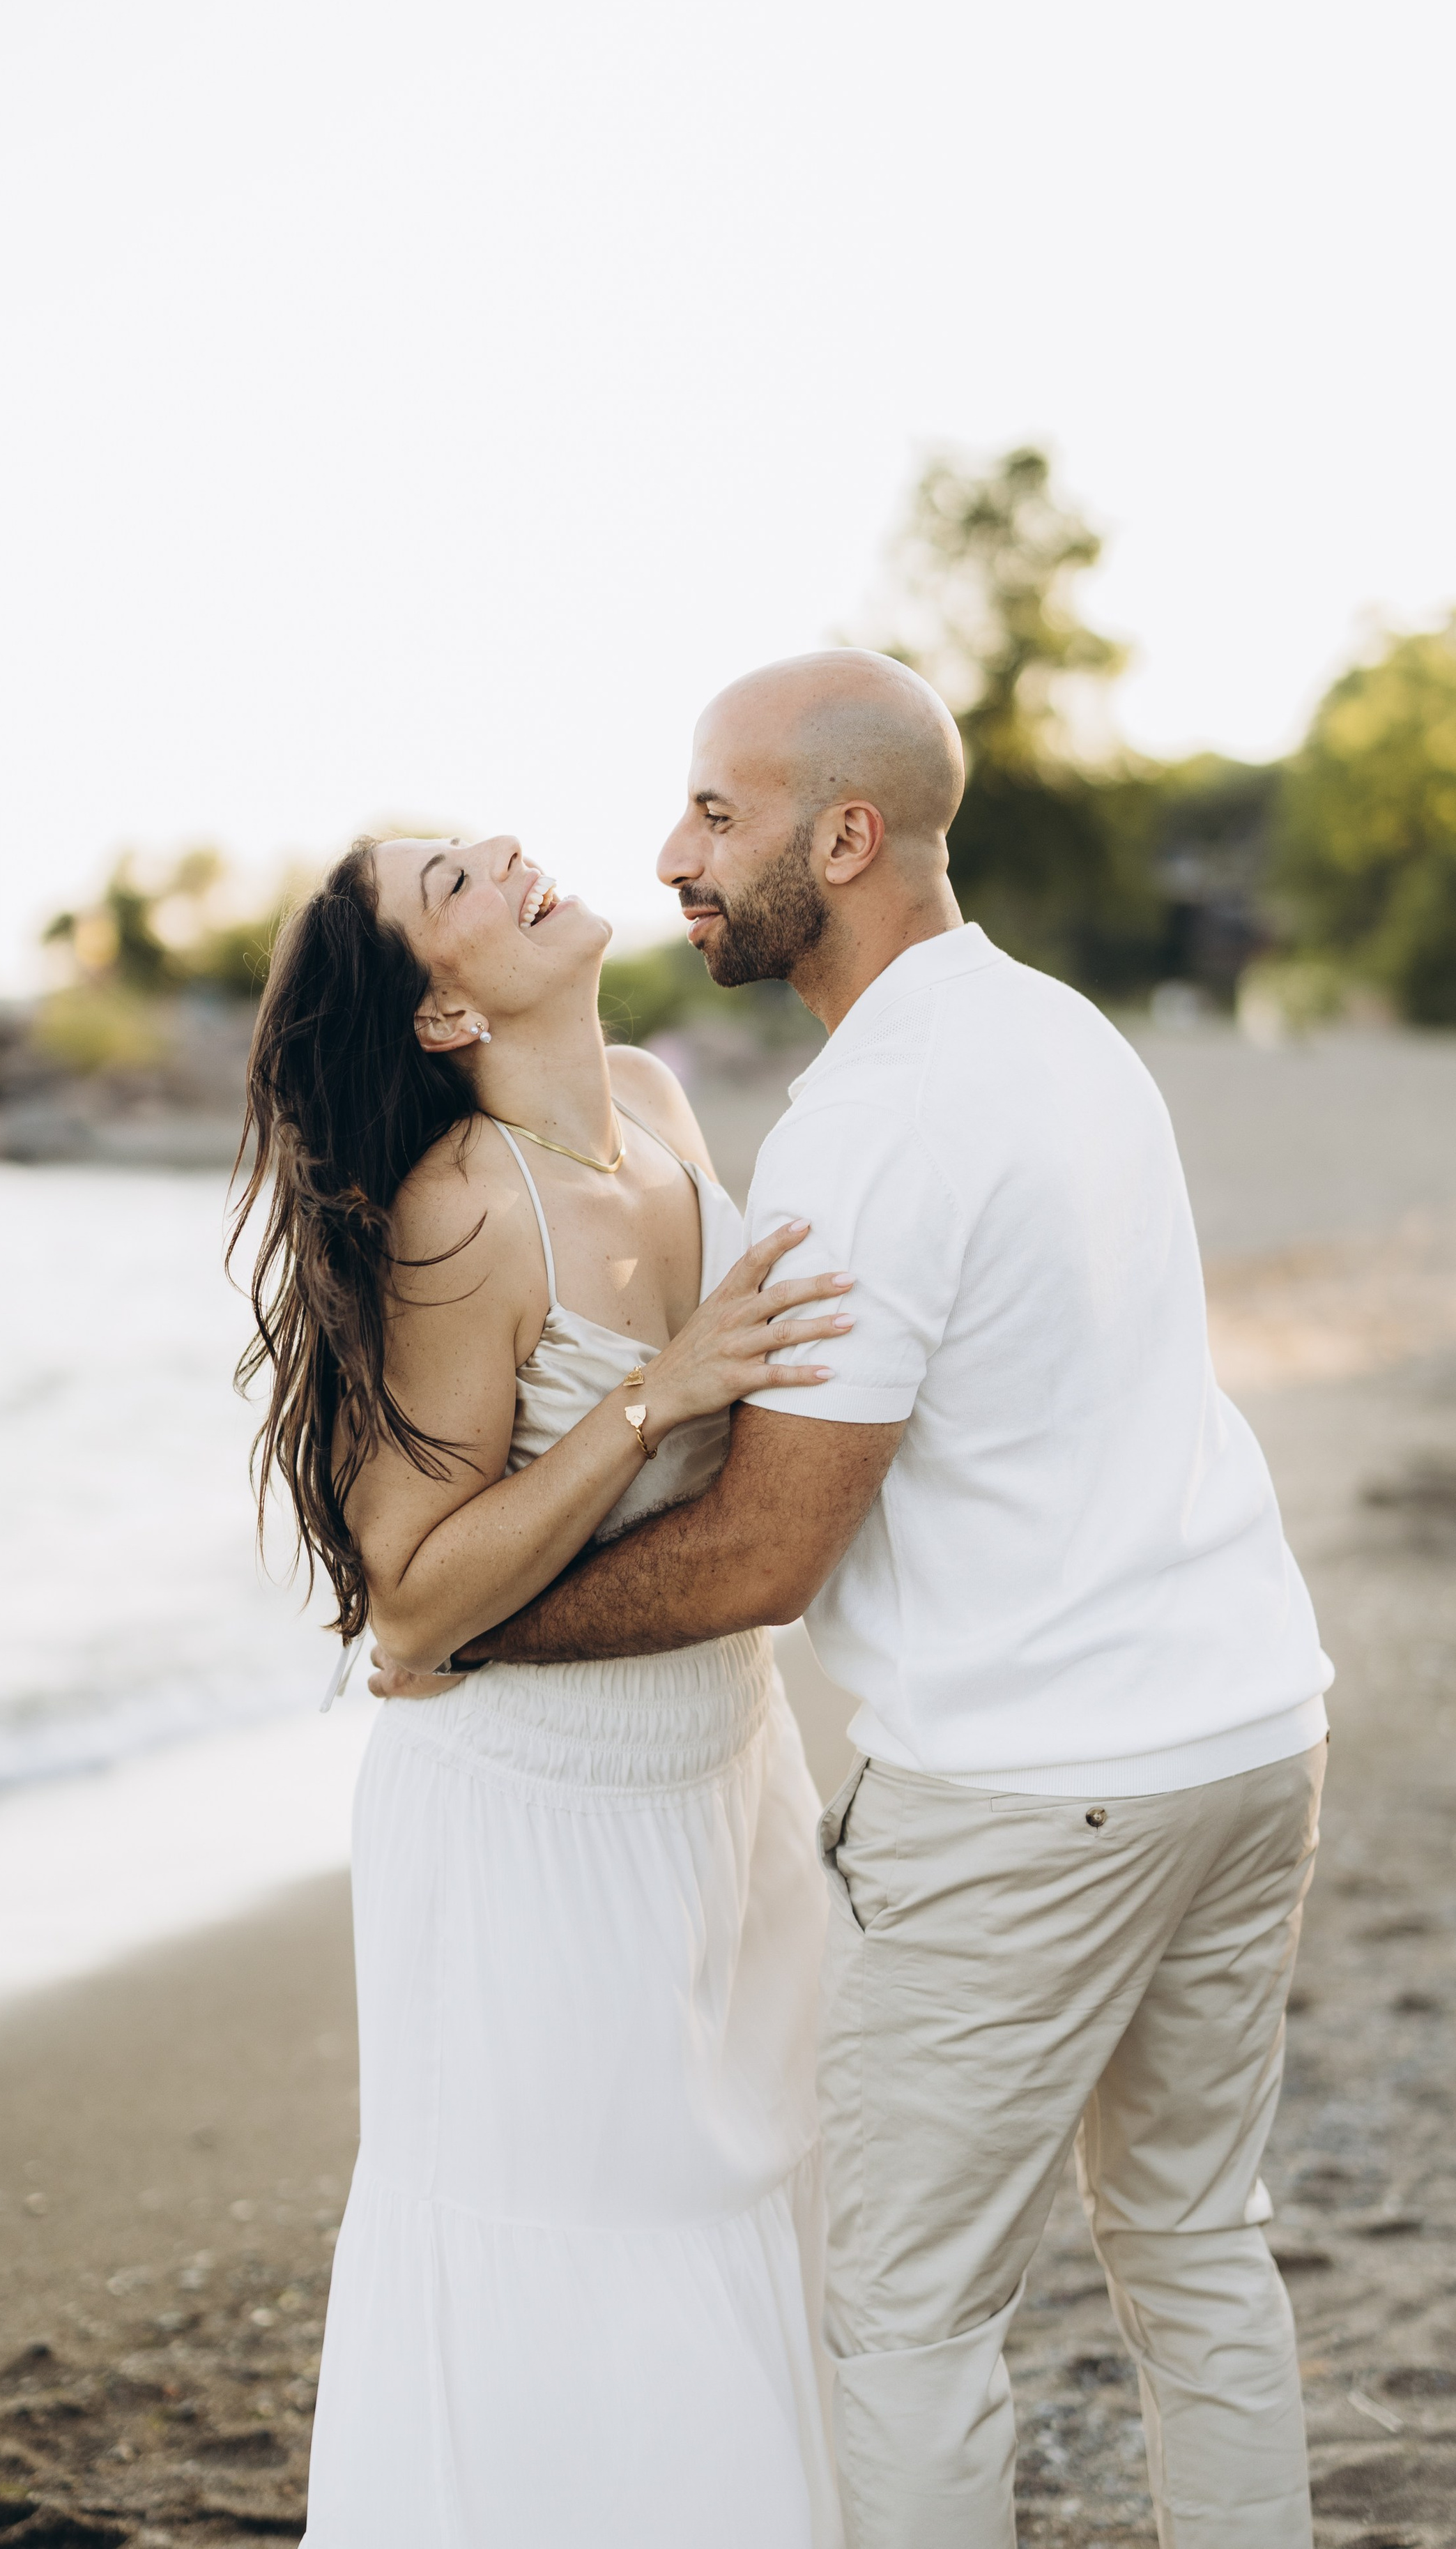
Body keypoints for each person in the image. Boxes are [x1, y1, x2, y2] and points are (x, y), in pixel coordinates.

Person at [376, 650, 1333, 2549]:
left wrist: (477, 1628)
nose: (673, 856)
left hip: (1035, 1794)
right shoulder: (1061, 1033)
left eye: (716, 819)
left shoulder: (871, 1121)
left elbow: (764, 1554)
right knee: (1200, 2255)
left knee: (903, 2317)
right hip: (1250, 1730)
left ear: (848, 833)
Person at [231, 832, 852, 2546]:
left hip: (725, 1772)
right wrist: (655, 1395)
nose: (503, 851)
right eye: (450, 881)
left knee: (744, 2211)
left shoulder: (653, 1097)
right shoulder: (460, 1212)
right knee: (582, 2259)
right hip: (530, 1829)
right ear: (437, 1010)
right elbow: (412, 1605)